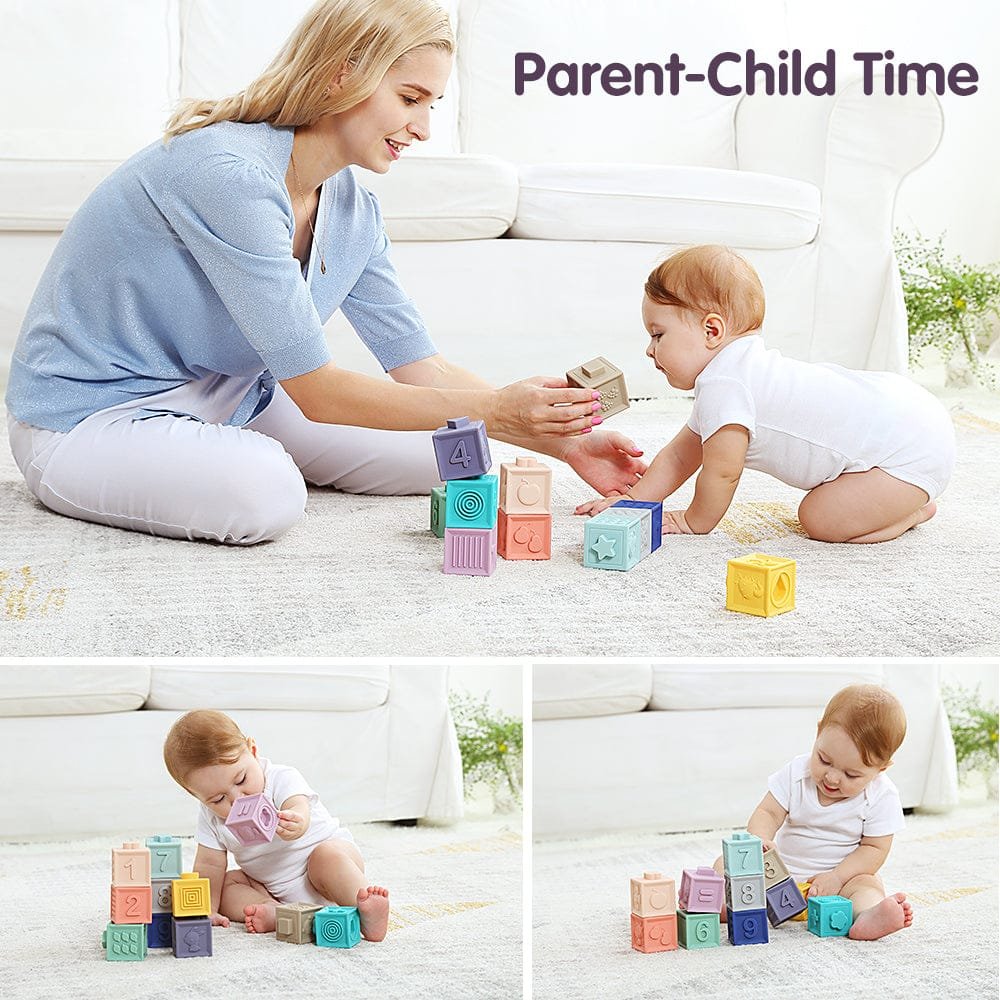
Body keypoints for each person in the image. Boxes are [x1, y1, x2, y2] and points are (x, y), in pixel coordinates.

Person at [5, 0, 645, 544]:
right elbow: (315, 389)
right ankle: (208, 461)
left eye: (433, 104)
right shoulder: (229, 174)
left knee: (453, 457)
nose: (423, 128)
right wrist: (501, 411)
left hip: (232, 396)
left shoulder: (351, 206)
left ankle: (209, 453)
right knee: (266, 494)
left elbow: (422, 365)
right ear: (344, 76)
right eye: (410, 98)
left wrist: (557, 442)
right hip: (91, 419)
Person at [576, 244, 955, 543]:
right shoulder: (731, 378)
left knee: (820, 519)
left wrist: (692, 520)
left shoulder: (728, 385)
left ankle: (911, 510)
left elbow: (723, 472)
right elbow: (679, 457)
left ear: (712, 331)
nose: (649, 348)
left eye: (658, 334)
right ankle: (902, 500)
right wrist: (633, 503)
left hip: (906, 452)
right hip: (908, 411)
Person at [162, 709, 386, 938]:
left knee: (326, 857)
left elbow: (298, 805)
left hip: (327, 872)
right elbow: (209, 865)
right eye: (218, 799)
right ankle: (276, 911)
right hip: (274, 888)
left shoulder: (280, 778)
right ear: (197, 796)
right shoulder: (210, 816)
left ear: (253, 751)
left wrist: (296, 821)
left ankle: (365, 910)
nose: (238, 799)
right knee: (228, 883)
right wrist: (206, 908)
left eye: (241, 779)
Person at [714, 684, 913, 941]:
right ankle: (725, 902)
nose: (831, 777)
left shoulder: (881, 796)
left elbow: (875, 849)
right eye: (824, 759)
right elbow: (768, 812)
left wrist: (837, 877)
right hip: (776, 878)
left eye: (851, 774)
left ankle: (868, 915)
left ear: (881, 768)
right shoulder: (796, 774)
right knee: (724, 864)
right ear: (819, 732)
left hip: (838, 885)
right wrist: (759, 840)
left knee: (867, 884)